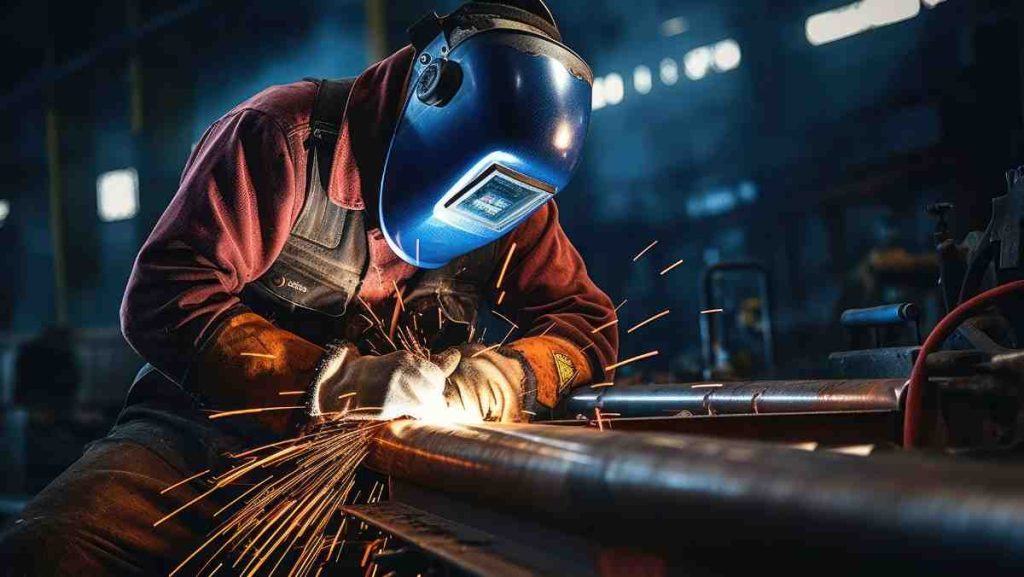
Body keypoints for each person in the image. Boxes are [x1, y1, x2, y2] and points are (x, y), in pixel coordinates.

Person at [0, 1, 617, 574]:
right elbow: (165, 294)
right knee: (47, 551)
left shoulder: (514, 197)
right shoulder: (280, 137)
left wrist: (503, 381)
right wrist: (332, 384)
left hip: (389, 468)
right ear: (426, 94)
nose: (481, 219)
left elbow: (586, 325)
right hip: (198, 450)